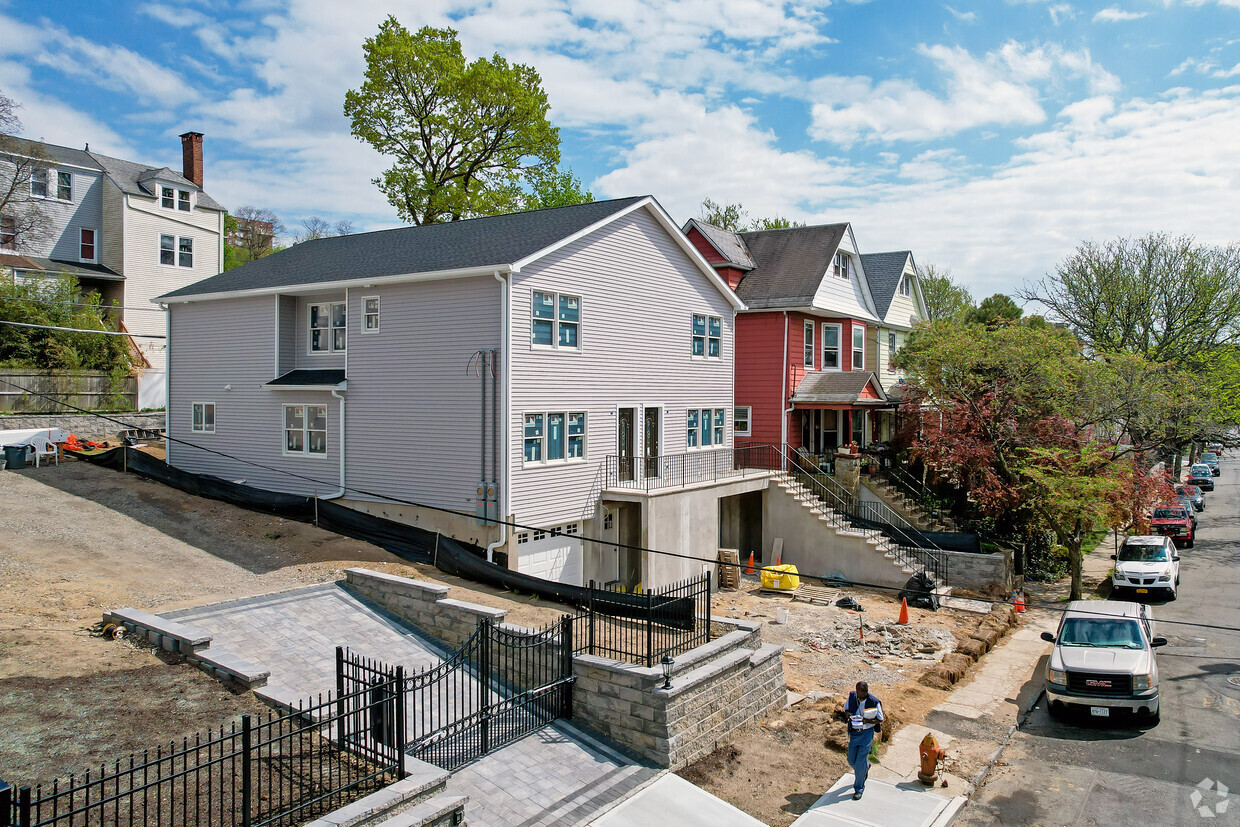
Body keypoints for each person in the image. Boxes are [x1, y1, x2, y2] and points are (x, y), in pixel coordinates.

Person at [845, 681, 884, 800]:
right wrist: (850, 716)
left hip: (866, 733)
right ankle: (865, 767)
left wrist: (868, 721)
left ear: (866, 692)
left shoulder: (874, 702)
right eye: (857, 691)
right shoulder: (852, 697)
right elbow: (846, 709)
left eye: (861, 692)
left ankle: (859, 788)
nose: (858, 693)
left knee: (860, 760)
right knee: (851, 759)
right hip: (854, 733)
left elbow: (880, 719)